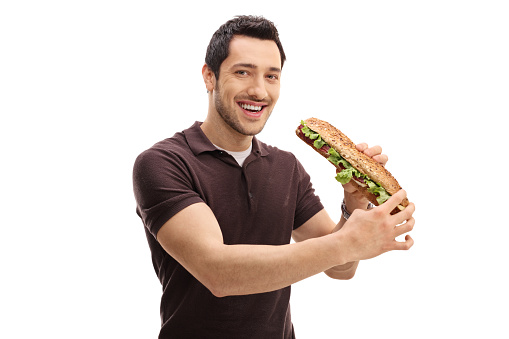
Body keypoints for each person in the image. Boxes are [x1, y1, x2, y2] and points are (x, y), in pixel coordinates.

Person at [132, 15, 415, 339]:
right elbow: (218, 272)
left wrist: (353, 204)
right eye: (243, 72)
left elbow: (340, 268)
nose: (259, 90)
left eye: (272, 76)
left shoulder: (286, 166)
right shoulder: (162, 163)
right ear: (209, 77)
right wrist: (347, 242)